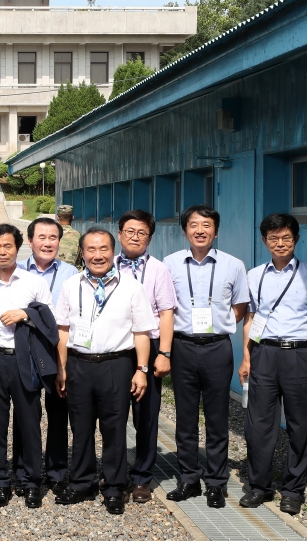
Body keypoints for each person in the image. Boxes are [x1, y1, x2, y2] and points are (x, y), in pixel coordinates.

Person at [239, 213, 307, 515]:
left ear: (296, 239)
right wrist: (247, 357)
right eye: (273, 238)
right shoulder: (254, 275)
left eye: (286, 237)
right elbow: (250, 319)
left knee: (299, 425)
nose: (280, 243)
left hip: (300, 355)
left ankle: (293, 489)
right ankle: (259, 486)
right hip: (264, 354)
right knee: (258, 425)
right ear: (264, 241)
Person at [54, 227, 153, 515]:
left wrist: (141, 369)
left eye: (103, 249)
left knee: (114, 428)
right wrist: (61, 368)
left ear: (113, 251)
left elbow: (142, 332)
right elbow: (63, 330)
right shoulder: (72, 285)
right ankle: (82, 481)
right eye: (91, 250)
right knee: (81, 427)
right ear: (82, 253)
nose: (98, 255)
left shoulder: (132, 286)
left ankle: (113, 487)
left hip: (117, 365)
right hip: (79, 364)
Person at [163, 205, 249, 508]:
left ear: (216, 230)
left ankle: (215, 483)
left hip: (217, 348)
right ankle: (188, 479)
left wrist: (220, 326)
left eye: (207, 225)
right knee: (185, 418)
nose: (200, 230)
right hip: (182, 346)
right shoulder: (170, 263)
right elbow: (165, 308)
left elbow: (240, 307)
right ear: (185, 229)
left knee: (217, 418)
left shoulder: (233, 265)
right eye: (194, 224)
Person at [0, 223, 57, 509]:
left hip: (25, 359)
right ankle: (0, 482)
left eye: (8, 246)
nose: (3, 252)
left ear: (18, 248)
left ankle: (30, 482)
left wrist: (25, 313)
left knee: (29, 422)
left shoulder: (33, 281)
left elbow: (49, 320)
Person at [115, 210, 177, 503]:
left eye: (141, 233)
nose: (134, 237)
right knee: (113, 414)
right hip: (115, 349)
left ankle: (141, 478)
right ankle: (113, 473)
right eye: (129, 231)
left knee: (146, 416)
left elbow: (167, 312)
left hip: (149, 347)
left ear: (150, 237)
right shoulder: (108, 265)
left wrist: (164, 352)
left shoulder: (158, 269)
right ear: (119, 234)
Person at [17, 217, 78, 495]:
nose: (47, 243)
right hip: (25, 349)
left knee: (58, 413)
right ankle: (23, 471)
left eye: (52, 237)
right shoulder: (15, 271)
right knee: (25, 412)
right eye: (41, 237)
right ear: (30, 241)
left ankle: (56, 472)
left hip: (59, 349)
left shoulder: (72, 273)